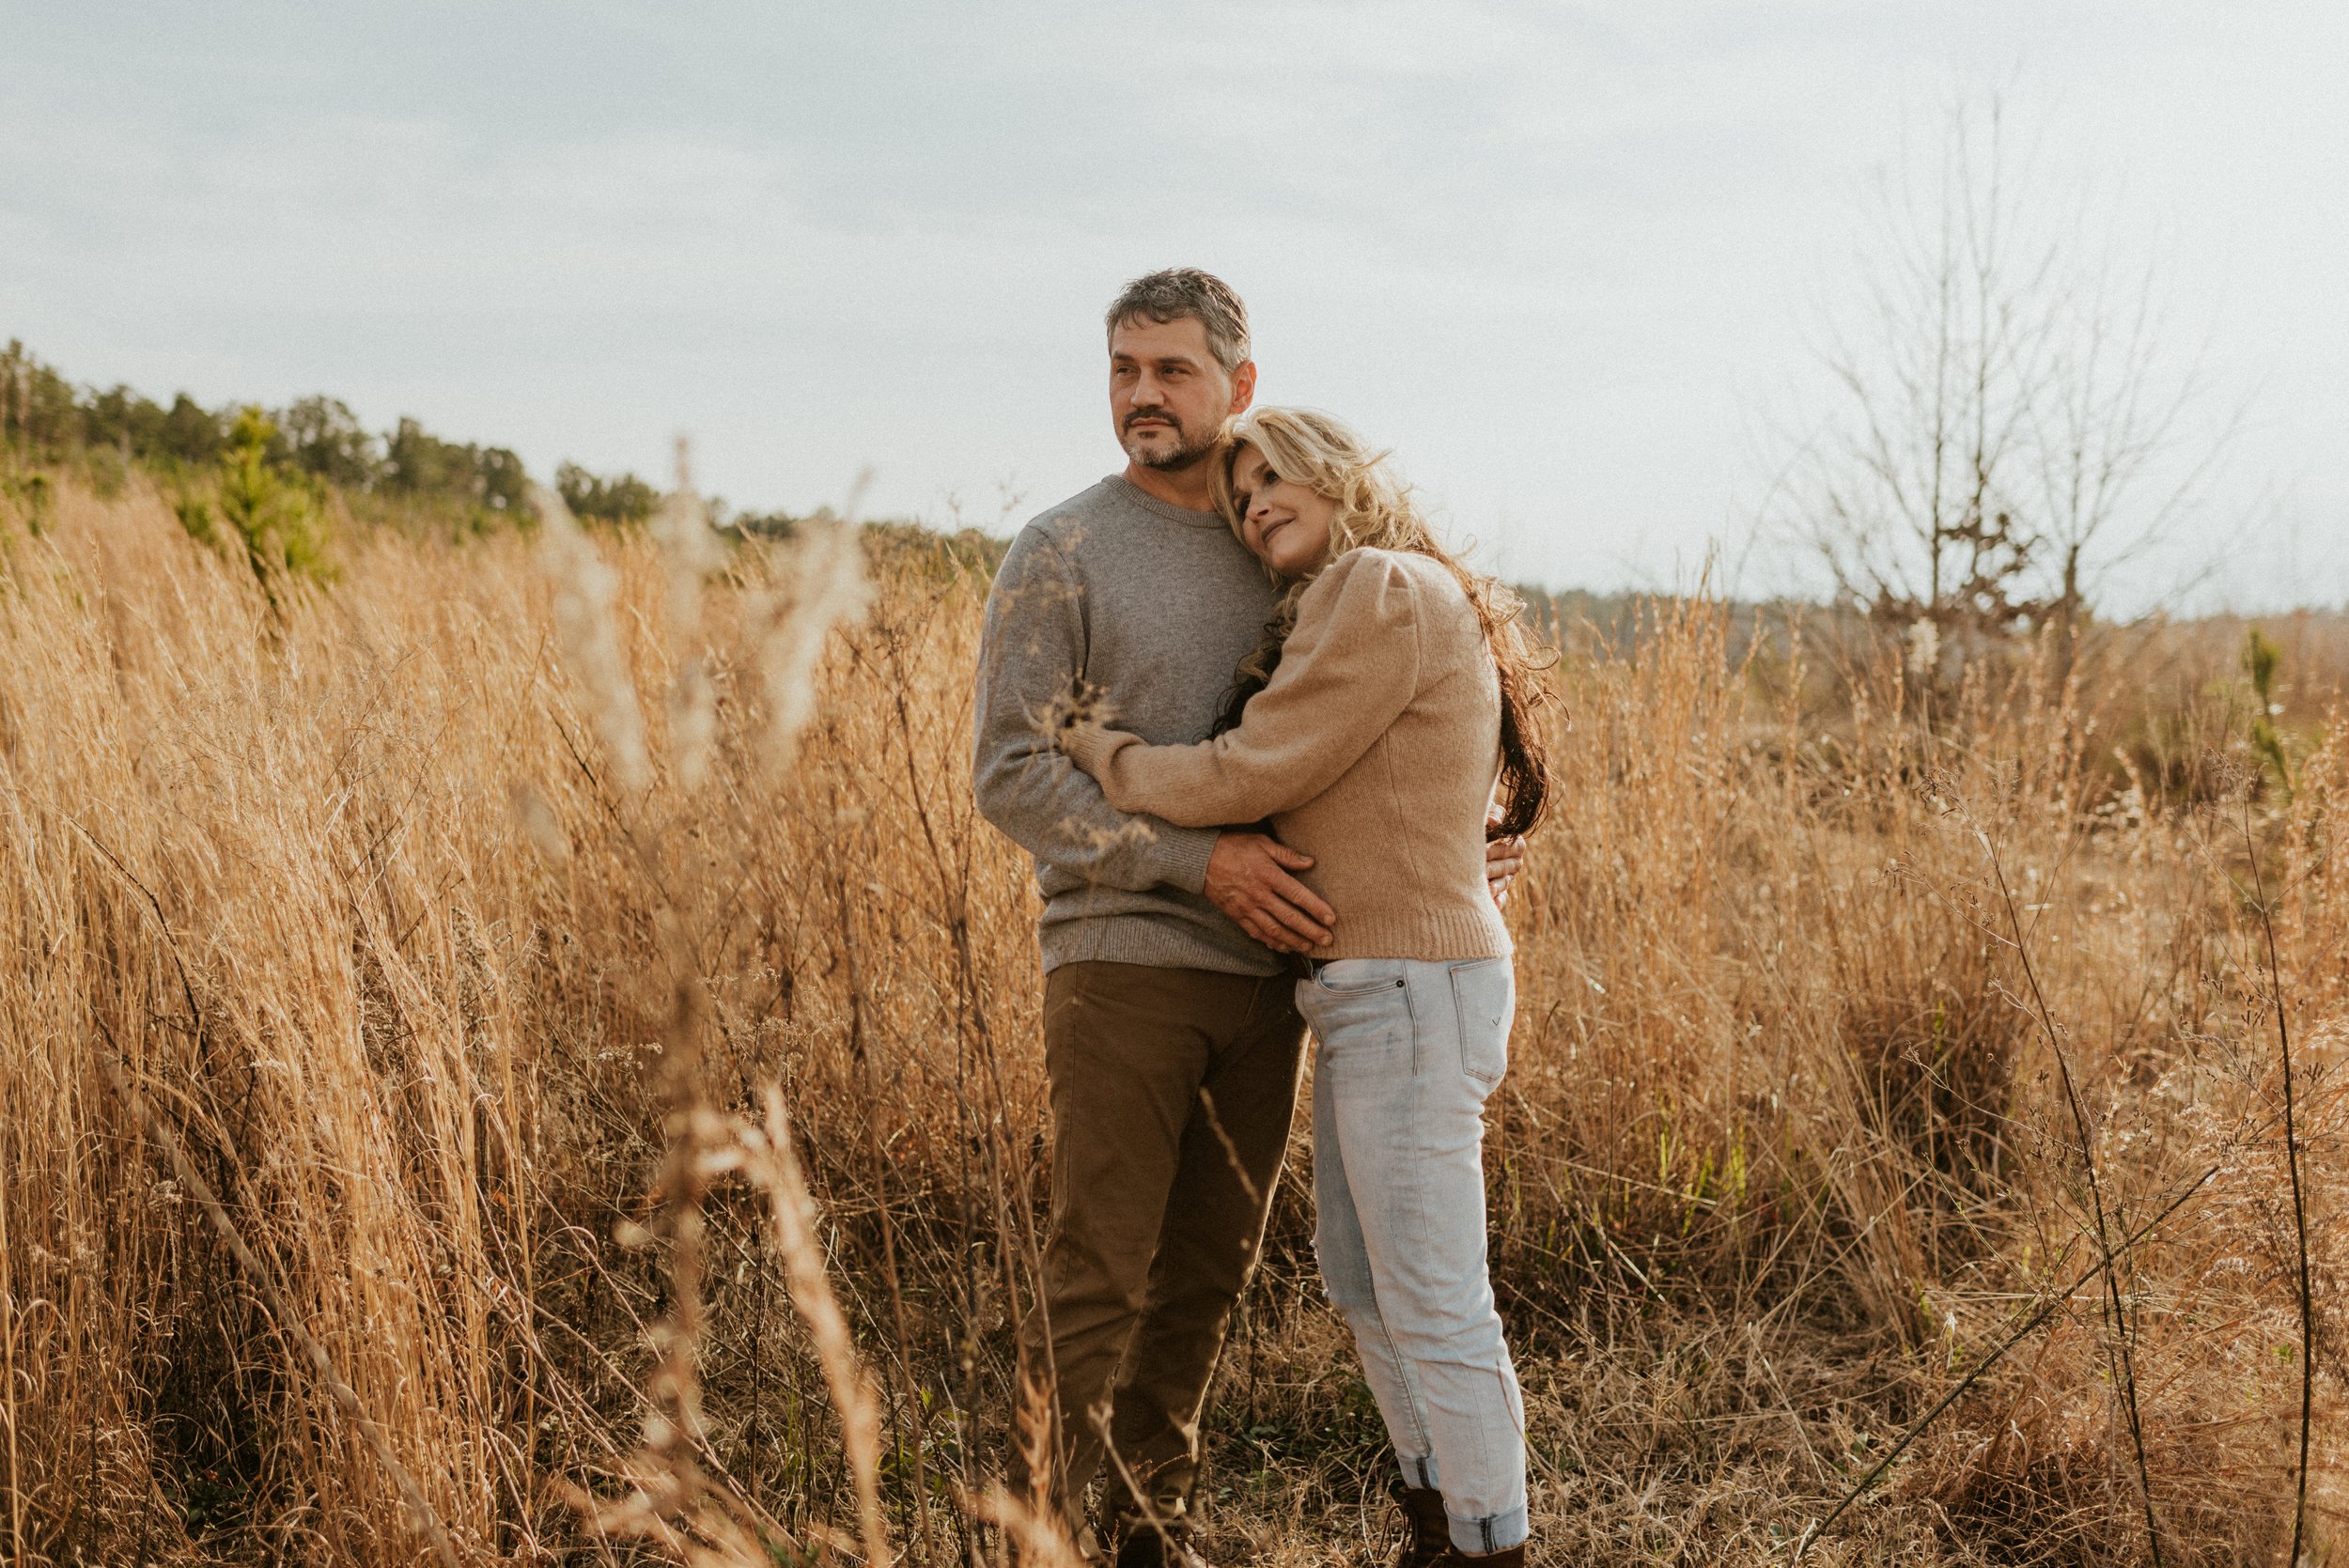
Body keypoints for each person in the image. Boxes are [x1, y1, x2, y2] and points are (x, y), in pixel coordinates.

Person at [972, 272, 1524, 1566]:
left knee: (1208, 1277)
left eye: (1169, 368)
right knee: (1100, 1266)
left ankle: (1149, 1533)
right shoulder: (1061, 550)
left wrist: (1447, 853)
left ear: (1240, 384)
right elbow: (1011, 772)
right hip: (1125, 960)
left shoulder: (1283, 541)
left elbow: (1374, 733)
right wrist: (1196, 864)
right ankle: (1031, 1542)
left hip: (1278, 976)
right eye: (1122, 368)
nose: (1141, 394)